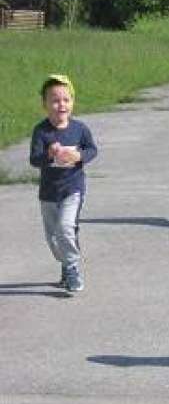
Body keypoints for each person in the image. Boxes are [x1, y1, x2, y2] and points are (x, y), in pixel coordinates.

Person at [29, 74, 98, 292]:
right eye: (55, 100)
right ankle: (66, 264)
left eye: (66, 100)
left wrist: (79, 157)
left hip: (73, 189)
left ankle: (72, 268)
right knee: (53, 238)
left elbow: (92, 150)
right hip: (49, 194)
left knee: (65, 227)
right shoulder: (41, 131)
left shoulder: (80, 129)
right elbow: (34, 160)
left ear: (72, 102)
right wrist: (49, 155)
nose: (61, 105)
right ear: (45, 104)